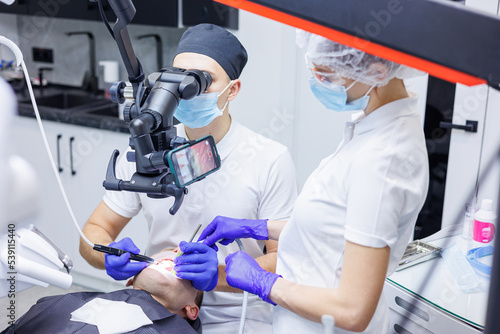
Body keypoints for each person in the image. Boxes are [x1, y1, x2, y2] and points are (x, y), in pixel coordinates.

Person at [198, 31, 430, 334]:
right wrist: (258, 227)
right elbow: (335, 224)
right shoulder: (371, 127)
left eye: (327, 75)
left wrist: (263, 283)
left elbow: (353, 311)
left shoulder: (383, 159)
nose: (317, 83)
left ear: (376, 71)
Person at [79, 23, 298, 333]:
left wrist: (219, 275)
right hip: (156, 306)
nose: (184, 90)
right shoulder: (147, 147)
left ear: (232, 90)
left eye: (200, 82)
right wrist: (108, 256)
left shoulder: (269, 159)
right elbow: (94, 233)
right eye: (178, 76)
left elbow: (283, 261)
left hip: (237, 314)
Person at [1, 250, 204, 334]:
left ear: (191, 310)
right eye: (161, 259)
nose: (171, 257)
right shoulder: (55, 304)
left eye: (182, 269)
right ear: (131, 280)